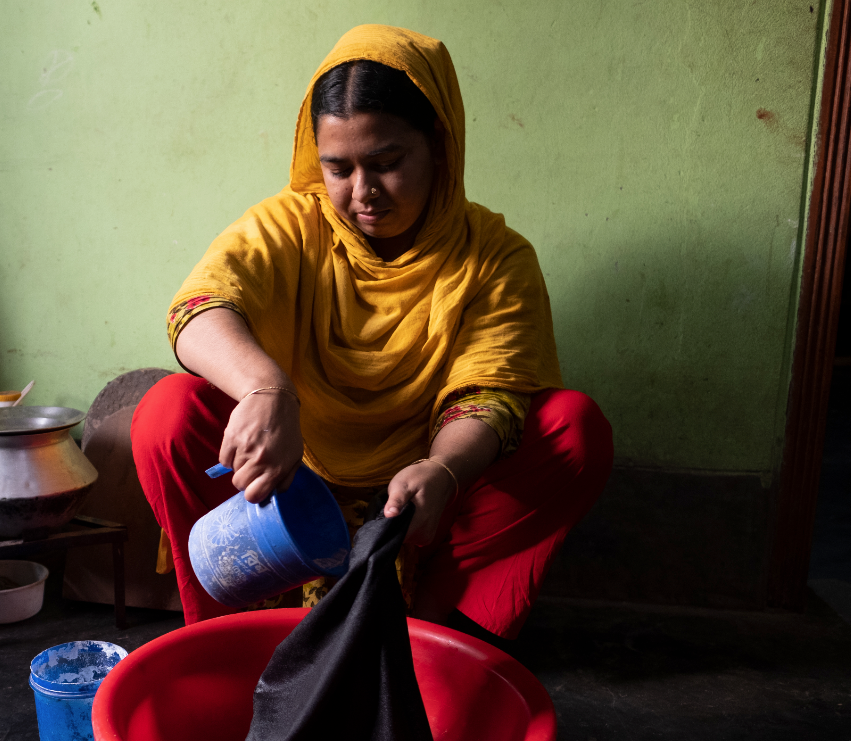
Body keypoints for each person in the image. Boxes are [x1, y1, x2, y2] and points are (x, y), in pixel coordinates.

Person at [131, 24, 612, 641]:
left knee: (574, 429)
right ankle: (234, 635)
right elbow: (199, 306)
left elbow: (488, 395)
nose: (363, 194)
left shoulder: (494, 256)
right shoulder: (291, 225)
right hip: (285, 484)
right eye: (339, 168)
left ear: (439, 146)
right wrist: (266, 391)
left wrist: (443, 471)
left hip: (427, 496)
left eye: (387, 164)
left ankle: (439, 631)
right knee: (167, 414)